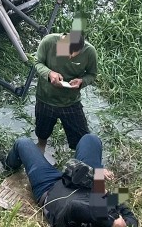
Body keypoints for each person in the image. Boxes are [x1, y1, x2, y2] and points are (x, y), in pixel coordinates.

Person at [0, 134, 139, 227]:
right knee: (91, 139)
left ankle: (8, 166)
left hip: (48, 187)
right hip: (83, 182)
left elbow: (75, 207)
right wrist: (99, 184)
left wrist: (110, 221)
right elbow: (128, 215)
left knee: (23, 143)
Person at [33, 15, 97, 152]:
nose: (69, 57)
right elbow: (37, 62)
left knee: (82, 140)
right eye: (67, 52)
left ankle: (79, 160)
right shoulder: (49, 42)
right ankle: (40, 148)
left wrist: (82, 81)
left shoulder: (89, 52)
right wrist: (49, 73)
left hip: (70, 101)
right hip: (46, 97)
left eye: (74, 55)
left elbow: (92, 74)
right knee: (42, 132)